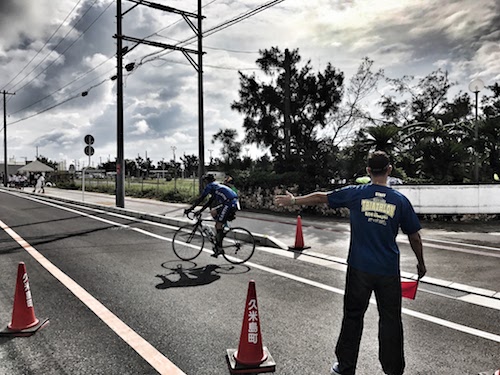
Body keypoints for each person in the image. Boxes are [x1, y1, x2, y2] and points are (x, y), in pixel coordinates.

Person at [274, 150, 426, 375]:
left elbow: (321, 196)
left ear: (367, 171)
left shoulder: (356, 194)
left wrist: (293, 200)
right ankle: (393, 369)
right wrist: (421, 264)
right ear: (389, 170)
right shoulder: (400, 201)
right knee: (391, 320)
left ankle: (345, 366)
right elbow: (414, 236)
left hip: (359, 268)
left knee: (353, 316)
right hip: (388, 271)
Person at [184, 173, 239, 257]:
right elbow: (210, 201)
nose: (204, 183)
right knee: (213, 212)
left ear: (206, 181)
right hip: (230, 202)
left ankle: (219, 248)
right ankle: (220, 232)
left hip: (229, 203)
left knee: (218, 225)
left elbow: (201, 199)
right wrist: (200, 210)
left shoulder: (210, 186)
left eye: (204, 181)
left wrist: (190, 209)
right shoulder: (216, 186)